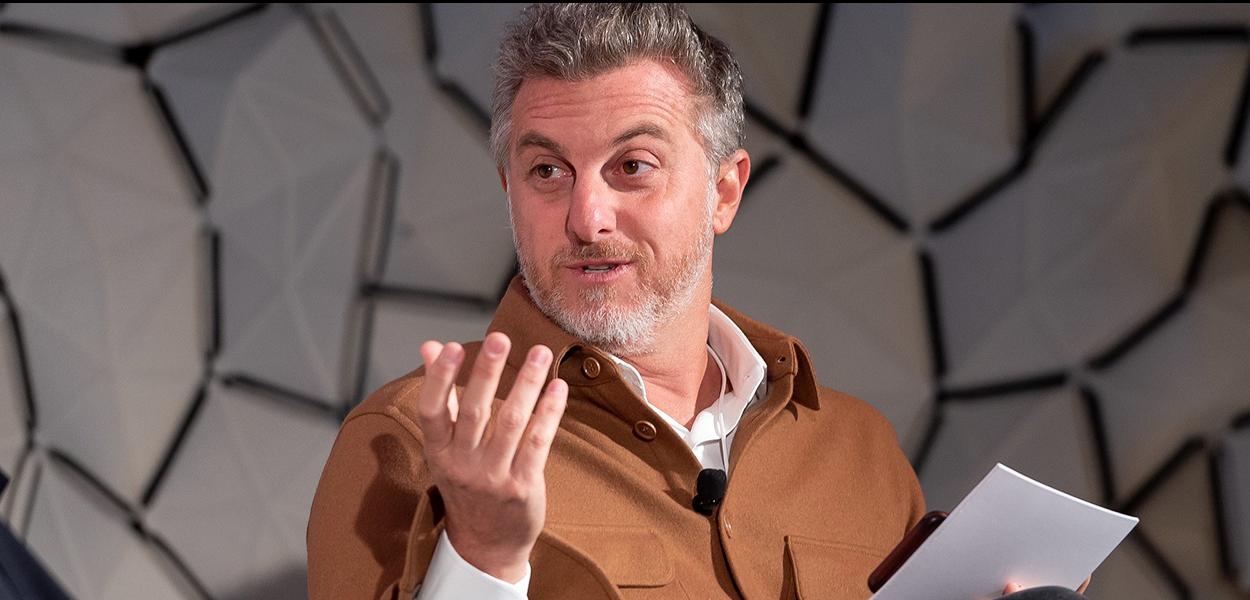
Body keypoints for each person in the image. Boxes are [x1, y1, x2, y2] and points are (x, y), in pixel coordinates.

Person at [306, 5, 1091, 599]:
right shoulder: (407, 441)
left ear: (724, 190)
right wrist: (483, 560)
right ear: (509, 190)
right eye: (547, 172)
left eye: (633, 166)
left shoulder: (859, 449)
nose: (587, 219)